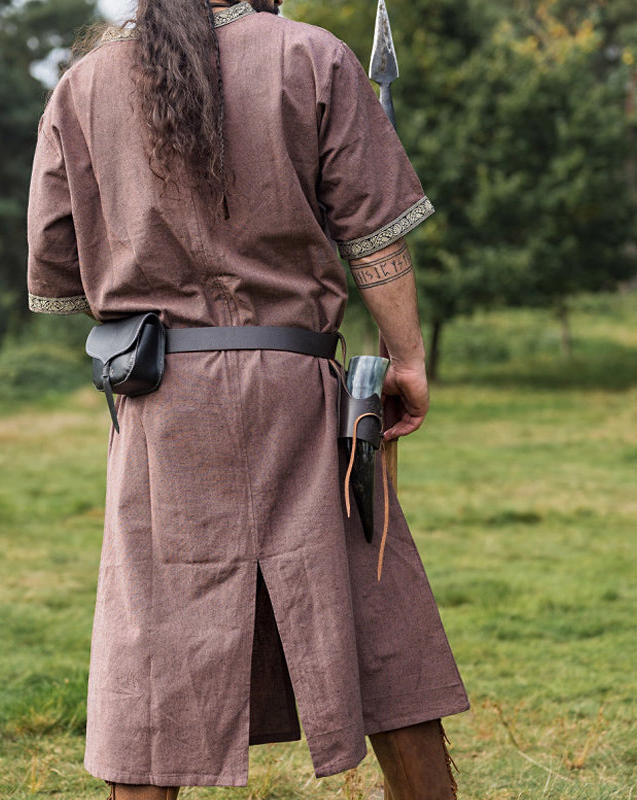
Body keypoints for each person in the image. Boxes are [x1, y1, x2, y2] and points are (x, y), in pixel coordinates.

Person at [26, 1, 469, 798]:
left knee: (155, 647)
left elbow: (59, 272)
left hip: (164, 405)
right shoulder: (312, 57)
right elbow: (375, 238)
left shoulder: (82, 86)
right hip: (298, 395)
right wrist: (406, 359)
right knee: (376, 628)